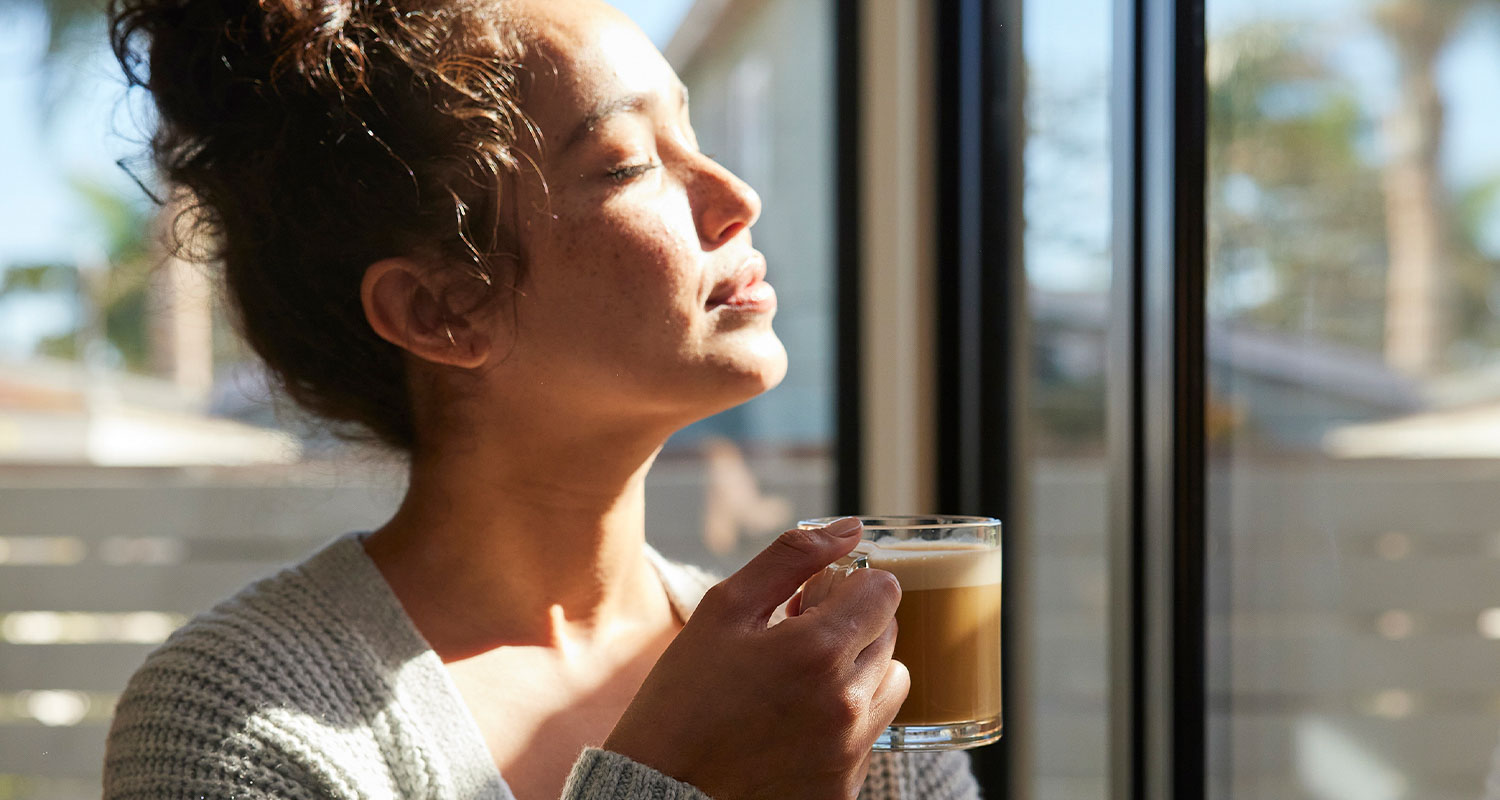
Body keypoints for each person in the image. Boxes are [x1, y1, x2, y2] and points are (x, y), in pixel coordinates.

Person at [101, 0, 982, 797]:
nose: (735, 199)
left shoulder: (828, 679)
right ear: (441, 309)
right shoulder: (239, 720)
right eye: (628, 164)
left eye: (693, 132)